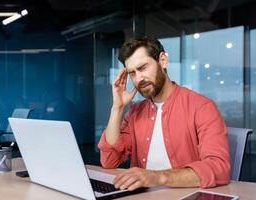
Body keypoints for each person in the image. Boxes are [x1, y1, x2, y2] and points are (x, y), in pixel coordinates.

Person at [98, 36, 231, 190]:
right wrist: (117, 108)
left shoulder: (202, 107)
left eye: (142, 68)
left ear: (163, 61)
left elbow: (219, 168)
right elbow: (109, 160)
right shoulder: (135, 112)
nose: (139, 78)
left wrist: (156, 177)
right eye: (132, 73)